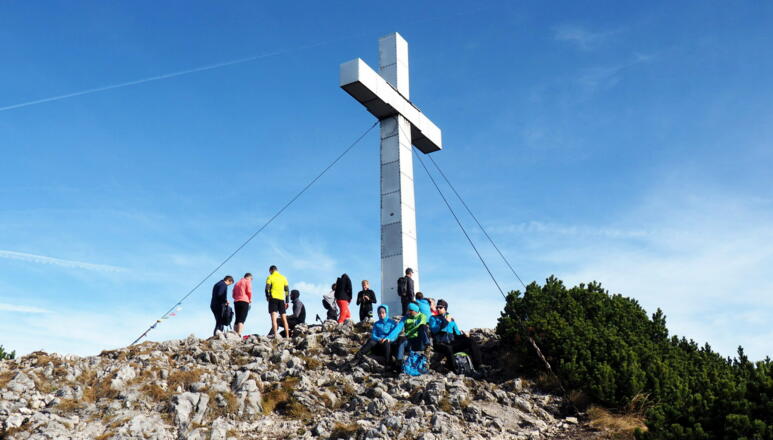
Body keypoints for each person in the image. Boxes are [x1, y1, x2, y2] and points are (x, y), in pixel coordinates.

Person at [429, 299, 482, 373]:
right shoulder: (433, 318)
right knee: (448, 348)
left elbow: (457, 333)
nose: (438, 309)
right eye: (437, 307)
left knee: (470, 341)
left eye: (440, 307)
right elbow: (434, 330)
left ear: (445, 309)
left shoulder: (451, 320)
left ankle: (478, 365)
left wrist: (464, 335)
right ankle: (454, 370)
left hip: (451, 342)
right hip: (439, 343)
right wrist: (445, 321)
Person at [354, 305, 399, 369]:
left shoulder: (392, 323)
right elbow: (373, 335)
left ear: (386, 313)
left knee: (386, 342)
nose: (381, 314)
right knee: (371, 341)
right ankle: (357, 356)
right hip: (379, 344)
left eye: (383, 313)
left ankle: (387, 363)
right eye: (379, 313)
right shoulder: (376, 324)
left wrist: (387, 339)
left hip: (388, 345)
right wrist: (379, 339)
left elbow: (395, 335)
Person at [389, 302, 431, 368]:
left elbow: (419, 325)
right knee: (401, 339)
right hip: (409, 343)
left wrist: (408, 333)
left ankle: (427, 346)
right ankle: (399, 362)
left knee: (423, 327)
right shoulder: (405, 318)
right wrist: (389, 337)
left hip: (419, 342)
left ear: (416, 310)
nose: (408, 312)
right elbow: (398, 328)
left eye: (410, 310)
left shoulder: (422, 316)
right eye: (408, 310)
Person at [265, 265, 290, 338]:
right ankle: (287, 336)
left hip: (273, 299)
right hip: (281, 299)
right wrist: (287, 301)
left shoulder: (270, 277)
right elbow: (287, 290)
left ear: (271, 270)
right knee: (284, 318)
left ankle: (275, 335)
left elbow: (267, 288)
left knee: (274, 318)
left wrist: (267, 297)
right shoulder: (283, 277)